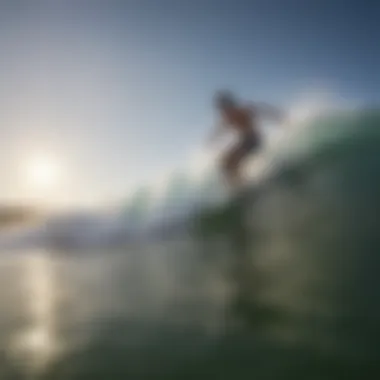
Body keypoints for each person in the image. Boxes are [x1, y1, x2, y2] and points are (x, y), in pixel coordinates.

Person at [208, 90, 283, 190]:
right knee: (224, 164)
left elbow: (262, 110)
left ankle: (242, 186)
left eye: (224, 107)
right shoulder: (227, 118)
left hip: (253, 140)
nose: (223, 111)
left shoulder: (243, 110)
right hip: (244, 141)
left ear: (229, 104)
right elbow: (219, 129)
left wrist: (277, 116)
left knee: (231, 162)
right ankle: (241, 186)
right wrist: (212, 139)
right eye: (222, 109)